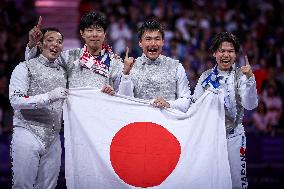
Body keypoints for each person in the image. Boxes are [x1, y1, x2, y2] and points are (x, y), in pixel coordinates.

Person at [193, 32, 258, 189]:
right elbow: (195, 105)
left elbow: (250, 105)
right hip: (210, 138)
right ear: (215, 53)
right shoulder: (206, 77)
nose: (226, 54)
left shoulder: (242, 76)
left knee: (237, 183)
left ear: (235, 55)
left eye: (230, 51)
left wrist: (250, 79)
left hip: (234, 137)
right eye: (222, 50)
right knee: (211, 182)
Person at [9, 27, 68, 189]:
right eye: (50, 40)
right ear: (40, 45)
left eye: (59, 41)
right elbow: (16, 100)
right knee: (22, 185)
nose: (55, 44)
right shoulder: (24, 68)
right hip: (27, 132)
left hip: (53, 137)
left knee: (48, 187)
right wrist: (48, 97)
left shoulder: (64, 73)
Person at [26, 11, 123, 93]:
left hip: (102, 112)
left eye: (99, 30)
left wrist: (113, 92)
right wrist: (32, 45)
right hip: (75, 113)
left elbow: (123, 94)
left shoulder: (114, 62)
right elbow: (37, 66)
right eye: (89, 30)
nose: (94, 34)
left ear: (105, 33)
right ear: (82, 33)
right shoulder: (69, 56)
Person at [119, 19, 191, 112]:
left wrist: (168, 104)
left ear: (163, 42)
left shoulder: (176, 66)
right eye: (148, 39)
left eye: (157, 39)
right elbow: (124, 103)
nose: (153, 43)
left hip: (168, 124)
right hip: (140, 122)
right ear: (140, 43)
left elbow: (186, 101)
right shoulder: (131, 67)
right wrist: (126, 74)